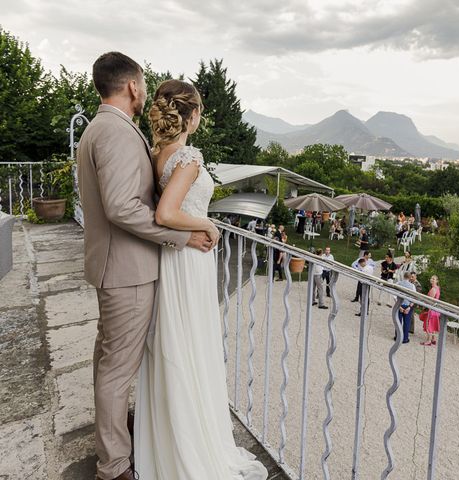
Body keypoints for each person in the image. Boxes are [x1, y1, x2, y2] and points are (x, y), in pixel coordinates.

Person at [76, 53, 214, 480]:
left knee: (110, 361)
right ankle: (114, 465)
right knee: (117, 369)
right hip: (128, 270)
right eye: (143, 82)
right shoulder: (115, 132)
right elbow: (122, 207)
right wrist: (183, 235)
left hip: (115, 265)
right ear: (133, 86)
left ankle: (116, 430)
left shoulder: (100, 128)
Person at [135, 79, 267, 479]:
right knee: (190, 345)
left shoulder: (157, 153)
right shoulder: (187, 156)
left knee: (177, 346)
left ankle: (170, 442)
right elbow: (167, 214)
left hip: (173, 257)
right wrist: (208, 223)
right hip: (188, 259)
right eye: (200, 113)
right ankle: (192, 451)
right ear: (190, 116)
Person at [394, 272, 416, 344]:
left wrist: (399, 306)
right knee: (407, 323)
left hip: (399, 305)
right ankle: (405, 338)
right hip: (407, 305)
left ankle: (397, 337)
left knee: (398, 321)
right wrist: (409, 307)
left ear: (403, 276)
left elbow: (394, 296)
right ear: (410, 277)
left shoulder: (398, 283)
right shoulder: (412, 286)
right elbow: (413, 298)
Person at [420, 276, 441, 346]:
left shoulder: (433, 289)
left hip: (431, 309)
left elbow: (430, 300)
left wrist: (424, 306)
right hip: (435, 309)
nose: (431, 280)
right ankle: (433, 339)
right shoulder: (437, 288)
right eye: (431, 278)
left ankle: (428, 340)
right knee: (433, 324)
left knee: (428, 325)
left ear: (437, 281)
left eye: (434, 279)